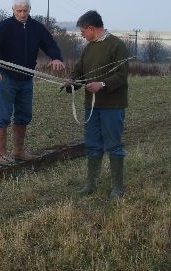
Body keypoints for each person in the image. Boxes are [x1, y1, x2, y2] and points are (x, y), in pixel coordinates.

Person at [0, 0, 65, 163]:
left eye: (25, 11)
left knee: (24, 115)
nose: (22, 14)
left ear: (29, 10)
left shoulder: (37, 28)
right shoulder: (4, 27)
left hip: (26, 78)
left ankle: (18, 151)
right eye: (19, 11)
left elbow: (50, 44)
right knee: (4, 115)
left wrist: (56, 57)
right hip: (6, 77)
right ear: (13, 10)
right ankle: (0, 154)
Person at [65, 10, 129, 199]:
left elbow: (121, 76)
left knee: (114, 145)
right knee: (93, 145)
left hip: (112, 106)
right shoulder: (88, 48)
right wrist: (72, 83)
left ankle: (118, 187)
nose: (82, 35)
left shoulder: (117, 45)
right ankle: (91, 184)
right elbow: (79, 73)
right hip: (91, 106)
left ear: (92, 28)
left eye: (83, 31)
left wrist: (101, 84)